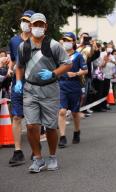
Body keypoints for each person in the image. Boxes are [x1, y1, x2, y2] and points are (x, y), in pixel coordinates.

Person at [15, 13, 72, 173]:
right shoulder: (23, 46)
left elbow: (67, 64)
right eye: (35, 24)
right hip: (30, 90)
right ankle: (38, 159)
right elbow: (19, 66)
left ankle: (52, 157)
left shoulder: (53, 45)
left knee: (50, 127)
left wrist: (53, 73)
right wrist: (19, 81)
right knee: (32, 126)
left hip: (50, 89)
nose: (37, 27)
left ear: (45, 27)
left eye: (41, 24)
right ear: (31, 26)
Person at [8, 10, 34, 166]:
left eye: (28, 21)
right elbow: (13, 60)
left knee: (32, 120)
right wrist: (10, 68)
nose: (25, 23)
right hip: (17, 84)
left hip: (33, 84)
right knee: (17, 117)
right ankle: (17, 151)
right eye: (23, 20)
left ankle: (35, 150)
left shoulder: (38, 42)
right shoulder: (13, 41)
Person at [58, 32, 88, 148]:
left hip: (75, 86)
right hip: (62, 86)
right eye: (64, 40)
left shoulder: (78, 56)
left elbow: (85, 70)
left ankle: (76, 131)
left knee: (75, 113)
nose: (66, 42)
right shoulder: (59, 56)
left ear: (73, 42)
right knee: (62, 111)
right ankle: (62, 136)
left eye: (69, 40)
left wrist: (75, 73)